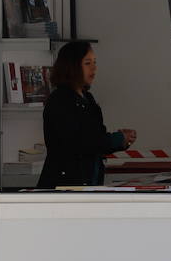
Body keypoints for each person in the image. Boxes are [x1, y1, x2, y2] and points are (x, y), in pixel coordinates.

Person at [38, 42, 136, 188]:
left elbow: (97, 138)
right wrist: (115, 139)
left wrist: (120, 141)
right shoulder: (60, 100)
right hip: (65, 185)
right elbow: (80, 142)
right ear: (72, 66)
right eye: (87, 63)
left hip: (89, 182)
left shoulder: (88, 98)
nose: (94, 68)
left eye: (95, 63)